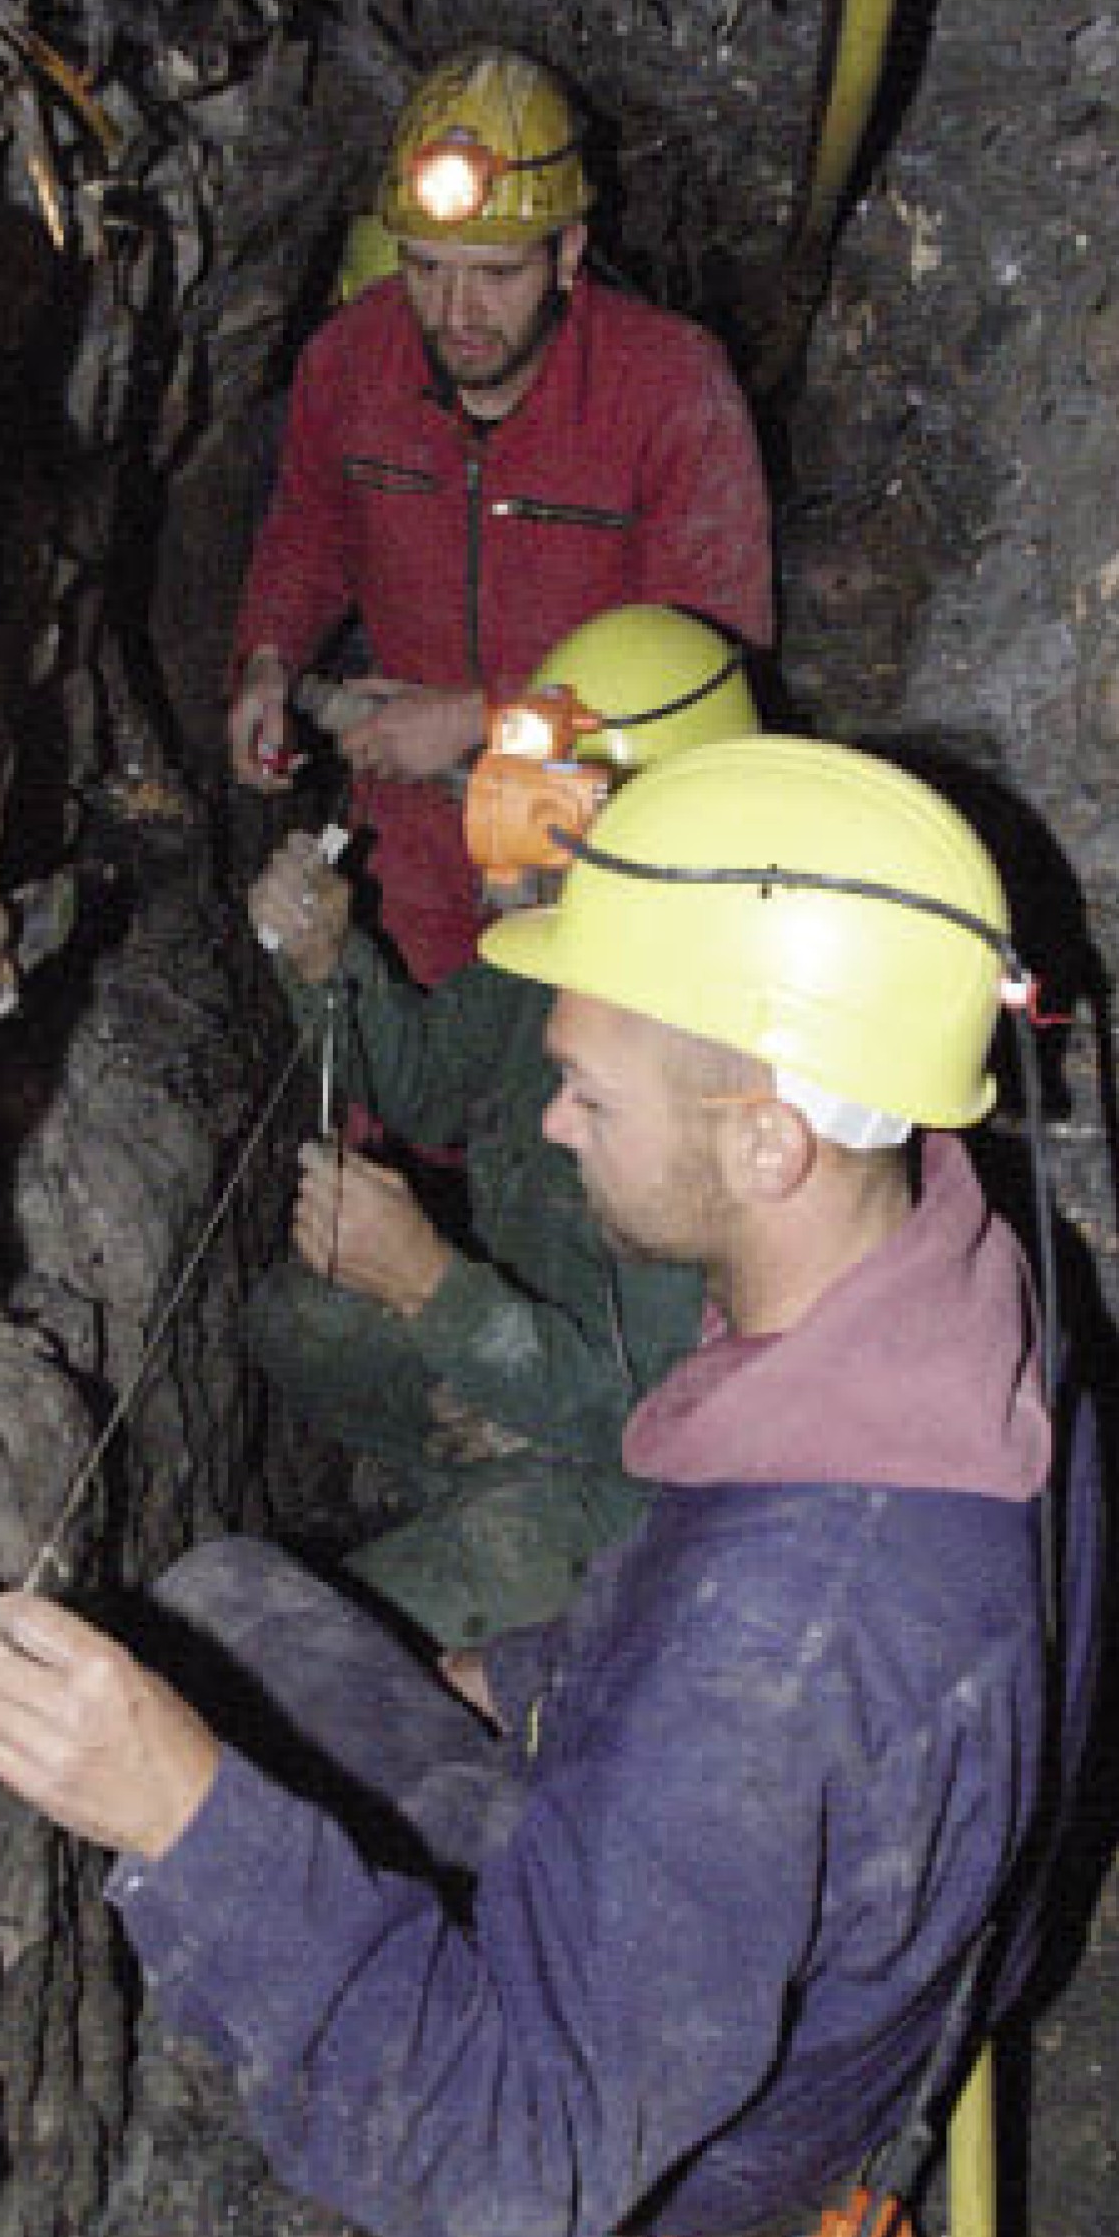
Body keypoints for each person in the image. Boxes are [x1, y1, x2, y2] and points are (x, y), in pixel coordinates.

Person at [0, 736, 1102, 2237]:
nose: (554, 1122)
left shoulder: (773, 1643)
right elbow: (725, 1656)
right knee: (226, 1612)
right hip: (794, 1910)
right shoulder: (942, 1270)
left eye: (594, 1095)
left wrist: (182, 1817)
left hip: (669, 2150)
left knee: (209, 1757)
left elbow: (523, 2132)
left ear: (770, 1140)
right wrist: (513, 1675)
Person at [244, 604, 761, 1646]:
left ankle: (525, 1579)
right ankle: (459, 1482)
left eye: (564, 805)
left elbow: (666, 1416)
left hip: (640, 1482)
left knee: (322, 1647)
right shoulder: (565, 944)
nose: (523, 849)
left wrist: (443, 1300)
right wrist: (328, 963)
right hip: (535, 1355)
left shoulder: (722, 1065)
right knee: (297, 1318)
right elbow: (429, 1087)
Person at [225, 44, 775, 985]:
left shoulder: (671, 390)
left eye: (496, 274)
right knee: (392, 1058)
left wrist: (486, 719)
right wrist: (270, 659)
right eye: (427, 269)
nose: (456, 311)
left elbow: (706, 672)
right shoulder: (351, 364)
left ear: (568, 252)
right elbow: (309, 536)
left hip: (594, 847)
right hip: (405, 836)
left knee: (567, 1075)